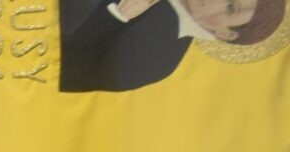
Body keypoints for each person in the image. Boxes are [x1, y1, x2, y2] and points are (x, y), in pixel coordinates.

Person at [59, 0, 286, 92]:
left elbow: (65, 76)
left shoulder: (160, 58)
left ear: (224, 33)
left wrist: (119, 16)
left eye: (230, 7)